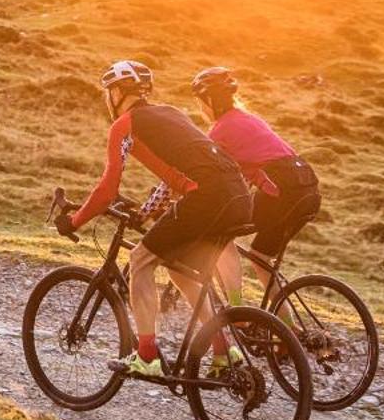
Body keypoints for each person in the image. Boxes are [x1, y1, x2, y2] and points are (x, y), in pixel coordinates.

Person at [54, 60, 256, 378]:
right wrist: (147, 211)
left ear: (118, 92)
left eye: (109, 92)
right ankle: (222, 352)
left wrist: (74, 221)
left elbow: (108, 189)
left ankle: (147, 357)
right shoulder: (172, 113)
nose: (108, 98)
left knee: (140, 260)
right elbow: (179, 175)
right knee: (180, 272)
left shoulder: (125, 125)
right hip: (238, 196)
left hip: (207, 197)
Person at [191, 66, 320, 304]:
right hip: (307, 188)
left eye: (200, 102)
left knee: (219, 236)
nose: (200, 109)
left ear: (209, 100)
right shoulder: (249, 119)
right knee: (260, 258)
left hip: (283, 189)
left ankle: (237, 309)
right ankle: (288, 333)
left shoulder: (220, 130)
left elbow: (206, 177)